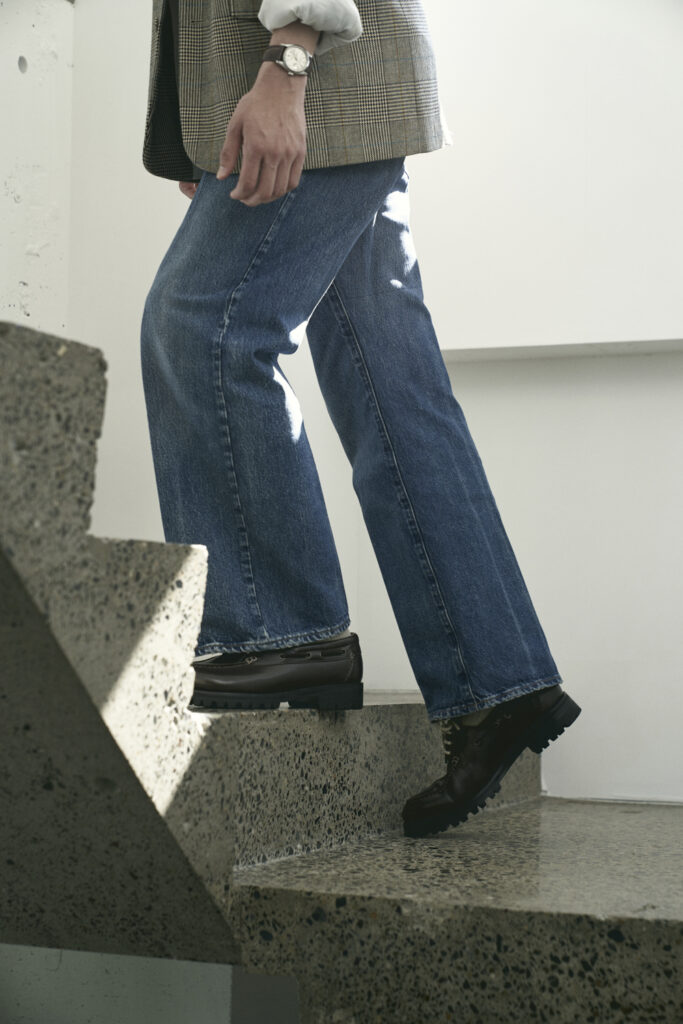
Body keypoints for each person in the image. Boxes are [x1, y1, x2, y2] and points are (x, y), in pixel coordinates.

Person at [140, 0, 581, 838]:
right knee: (390, 383)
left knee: (200, 325)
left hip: (316, 78)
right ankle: (497, 677)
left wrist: (288, 61)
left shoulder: (296, 68)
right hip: (332, 87)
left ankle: (279, 632)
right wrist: (191, 123)